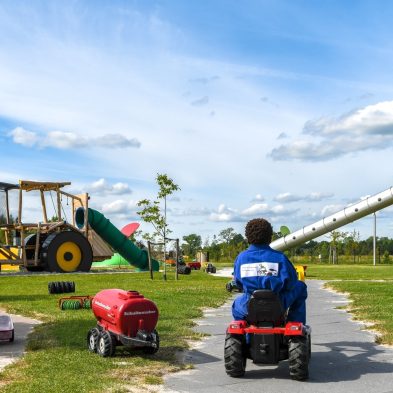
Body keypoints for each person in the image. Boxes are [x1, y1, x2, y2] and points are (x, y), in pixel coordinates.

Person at [232, 218, 307, 324]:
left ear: (247, 237)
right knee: (300, 286)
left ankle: (246, 333)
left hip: (249, 304)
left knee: (236, 306)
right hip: (277, 303)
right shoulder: (280, 258)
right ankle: (295, 324)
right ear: (270, 237)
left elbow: (238, 283)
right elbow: (291, 283)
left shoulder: (241, 258)